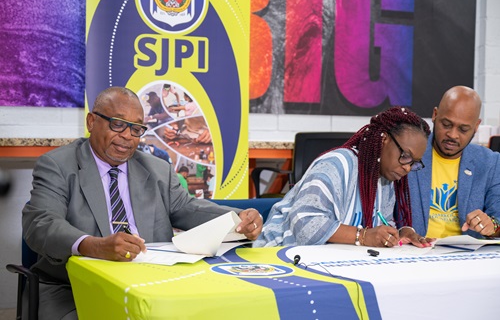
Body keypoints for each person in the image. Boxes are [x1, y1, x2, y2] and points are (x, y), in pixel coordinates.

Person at [22, 86, 263, 320]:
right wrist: (93, 246)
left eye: (136, 129)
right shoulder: (58, 165)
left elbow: (188, 209)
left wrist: (238, 219)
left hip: (152, 286)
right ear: (91, 122)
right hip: (74, 287)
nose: (127, 136)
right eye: (117, 124)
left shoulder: (157, 169)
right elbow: (41, 223)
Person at [255, 107, 433, 248]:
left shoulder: (387, 179)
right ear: (384, 139)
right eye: (405, 156)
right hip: (278, 256)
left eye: (414, 162)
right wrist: (363, 236)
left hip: (328, 261)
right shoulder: (337, 164)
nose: (407, 167)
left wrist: (398, 233)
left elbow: (381, 223)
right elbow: (305, 225)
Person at [408, 86, 500, 238]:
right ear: (435, 115)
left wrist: (492, 225)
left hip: (467, 258)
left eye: (463, 129)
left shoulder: (490, 162)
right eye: (446, 124)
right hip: (414, 253)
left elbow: (498, 219)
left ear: (476, 126)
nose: (452, 135)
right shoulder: (408, 154)